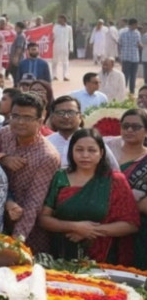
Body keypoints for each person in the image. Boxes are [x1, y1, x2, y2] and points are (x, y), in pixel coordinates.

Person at [39, 128, 139, 265]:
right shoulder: (60, 177)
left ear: (101, 153)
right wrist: (74, 227)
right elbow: (44, 219)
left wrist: (90, 231)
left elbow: (131, 224)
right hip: (61, 255)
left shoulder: (114, 180)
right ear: (71, 152)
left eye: (92, 150)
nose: (85, 155)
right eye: (79, 150)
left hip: (104, 258)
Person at [0, 93, 61, 252]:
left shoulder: (47, 156)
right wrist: (2, 158)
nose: (20, 122)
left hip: (28, 228)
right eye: (15, 116)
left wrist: (15, 244)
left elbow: (33, 204)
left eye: (28, 118)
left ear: (40, 121)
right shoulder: (5, 133)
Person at [46, 96, 118, 170]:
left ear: (80, 117)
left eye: (71, 112)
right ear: (53, 117)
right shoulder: (47, 143)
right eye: (61, 113)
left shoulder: (93, 140)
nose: (66, 117)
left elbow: (113, 169)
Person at [115, 109, 147, 268]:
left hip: (139, 231)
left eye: (135, 127)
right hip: (103, 226)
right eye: (125, 126)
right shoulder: (107, 154)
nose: (129, 130)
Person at [120, 18, 143, 95]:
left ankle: (126, 91)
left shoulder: (123, 32)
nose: (136, 26)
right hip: (132, 57)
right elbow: (139, 44)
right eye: (136, 24)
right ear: (132, 24)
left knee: (128, 75)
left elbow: (119, 43)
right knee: (130, 75)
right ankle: (130, 91)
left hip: (127, 57)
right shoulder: (136, 33)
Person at [52, 15, 74, 81]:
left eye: (60, 19)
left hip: (65, 47)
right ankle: (54, 75)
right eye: (58, 19)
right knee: (55, 61)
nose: (59, 20)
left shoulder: (69, 28)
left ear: (64, 19)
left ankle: (65, 76)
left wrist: (71, 48)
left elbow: (71, 38)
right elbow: (52, 36)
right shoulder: (55, 27)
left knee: (65, 62)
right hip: (56, 46)